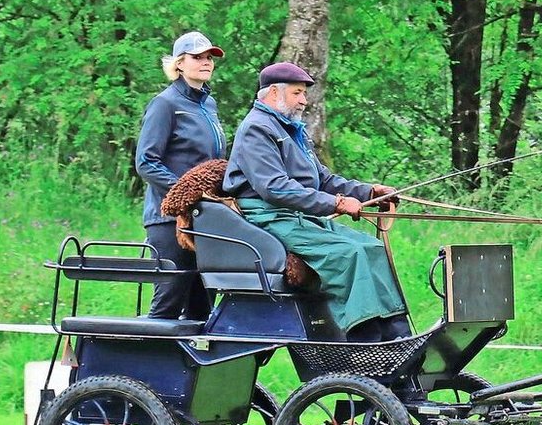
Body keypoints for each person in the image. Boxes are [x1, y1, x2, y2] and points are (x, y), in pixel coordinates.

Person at [222, 62, 410, 342]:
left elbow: (322, 179)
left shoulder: (292, 130)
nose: (304, 101)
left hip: (300, 217)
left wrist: (368, 193)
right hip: (270, 218)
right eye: (298, 93)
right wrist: (336, 203)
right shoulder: (256, 129)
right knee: (348, 255)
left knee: (371, 247)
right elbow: (275, 189)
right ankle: (366, 342)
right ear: (274, 93)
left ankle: (398, 336)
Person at [135, 30, 228, 320]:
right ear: (179, 64)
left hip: (204, 219)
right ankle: (143, 363)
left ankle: (195, 366)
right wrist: (186, 192)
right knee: (169, 303)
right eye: (197, 57)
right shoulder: (165, 104)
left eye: (209, 57)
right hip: (168, 219)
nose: (206, 62)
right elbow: (146, 162)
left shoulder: (208, 105)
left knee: (204, 306)